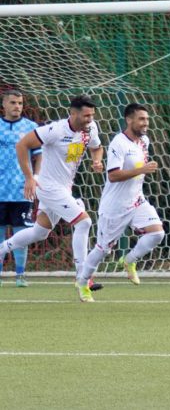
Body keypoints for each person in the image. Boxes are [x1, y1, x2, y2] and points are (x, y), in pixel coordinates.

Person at [0, 95, 104, 288]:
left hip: (64, 188)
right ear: (73, 114)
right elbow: (22, 145)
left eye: (92, 116)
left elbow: (97, 148)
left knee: (40, 232)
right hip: (48, 187)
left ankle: (2, 248)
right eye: (86, 116)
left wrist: (96, 160)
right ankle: (83, 277)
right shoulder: (55, 130)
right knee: (84, 222)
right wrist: (30, 177)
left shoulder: (91, 128)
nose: (89, 120)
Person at [75, 103, 164, 302]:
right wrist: (142, 170)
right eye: (141, 119)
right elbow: (114, 176)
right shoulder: (118, 143)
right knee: (103, 249)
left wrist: (144, 169)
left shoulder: (144, 141)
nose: (145, 123)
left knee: (157, 232)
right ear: (129, 120)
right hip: (114, 206)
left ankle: (129, 260)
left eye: (147, 119)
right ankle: (82, 283)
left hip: (136, 201)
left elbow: (138, 170)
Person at [0, 89, 41, 287]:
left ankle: (20, 275)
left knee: (21, 235)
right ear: (4, 105)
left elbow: (40, 154)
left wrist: (35, 177)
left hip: (22, 190)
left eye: (20, 103)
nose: (17, 106)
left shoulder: (31, 127)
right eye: (13, 103)